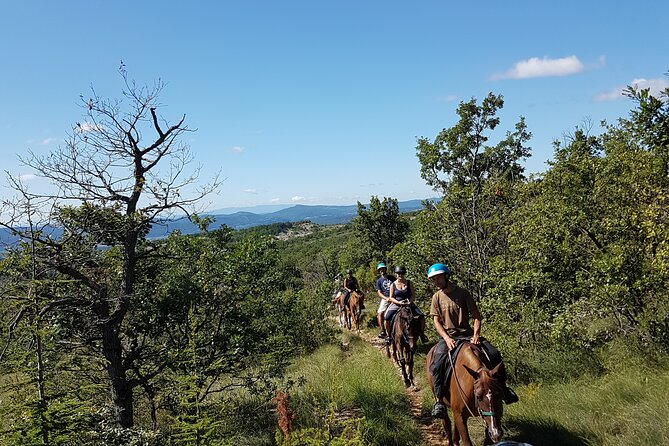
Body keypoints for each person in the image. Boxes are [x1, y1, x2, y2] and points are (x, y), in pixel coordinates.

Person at [426, 263, 517, 418]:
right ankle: (439, 402)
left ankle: (504, 389)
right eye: (434, 280)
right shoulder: (436, 297)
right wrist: (446, 338)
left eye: (439, 278)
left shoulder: (463, 293)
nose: (437, 282)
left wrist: (476, 334)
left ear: (447, 276)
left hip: (467, 335)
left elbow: (476, 316)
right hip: (449, 336)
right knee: (436, 364)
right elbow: (436, 321)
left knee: (494, 354)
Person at [383, 265, 428, 345]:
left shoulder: (409, 283)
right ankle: (388, 336)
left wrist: (410, 302)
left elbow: (413, 295)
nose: (400, 275)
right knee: (386, 318)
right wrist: (399, 302)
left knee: (421, 316)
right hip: (396, 304)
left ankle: (422, 334)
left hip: (408, 303)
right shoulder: (393, 285)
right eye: (398, 273)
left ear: (404, 274)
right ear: (396, 274)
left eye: (402, 273)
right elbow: (391, 297)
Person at [374, 262, 395, 338]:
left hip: (395, 297)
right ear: (379, 271)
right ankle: (383, 330)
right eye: (380, 269)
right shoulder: (379, 281)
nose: (382, 270)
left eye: (383, 269)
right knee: (380, 314)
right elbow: (379, 292)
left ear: (385, 269)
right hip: (385, 298)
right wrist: (386, 298)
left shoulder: (392, 278)